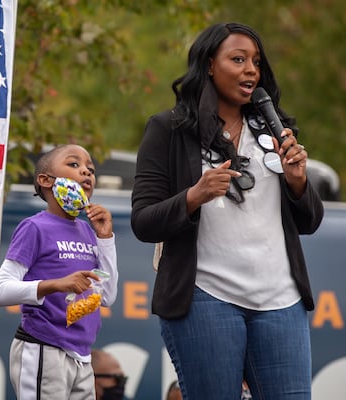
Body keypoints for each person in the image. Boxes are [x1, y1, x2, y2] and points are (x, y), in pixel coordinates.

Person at [130, 22, 324, 399]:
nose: (251, 69)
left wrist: (298, 181)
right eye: (238, 59)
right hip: (204, 296)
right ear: (208, 65)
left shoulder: (274, 129)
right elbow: (143, 221)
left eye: (255, 61)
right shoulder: (169, 130)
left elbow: (310, 220)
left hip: (281, 300)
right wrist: (194, 196)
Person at [0, 144, 118, 400]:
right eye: (74, 165)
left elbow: (106, 296)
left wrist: (105, 238)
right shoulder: (35, 227)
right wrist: (56, 284)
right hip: (44, 346)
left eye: (90, 169)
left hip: (82, 355)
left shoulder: (88, 231)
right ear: (45, 180)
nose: (86, 172)